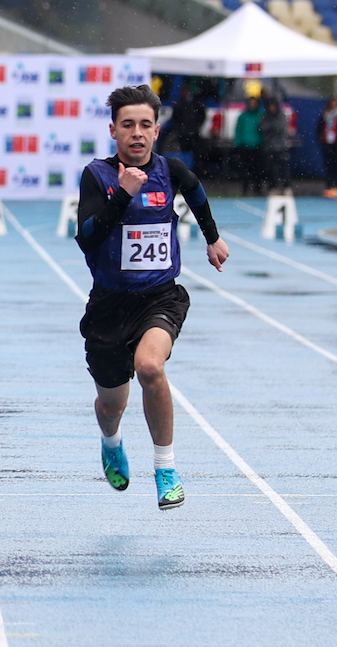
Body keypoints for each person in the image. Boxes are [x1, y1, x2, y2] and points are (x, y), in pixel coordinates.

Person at [75, 84, 229, 510]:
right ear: (113, 130)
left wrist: (212, 237)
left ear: (156, 130)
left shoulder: (171, 170)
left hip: (160, 297)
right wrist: (123, 194)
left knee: (149, 366)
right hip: (109, 306)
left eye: (145, 124)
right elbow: (87, 238)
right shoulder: (97, 176)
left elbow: (196, 192)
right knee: (112, 405)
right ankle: (111, 442)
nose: (137, 133)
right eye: (128, 125)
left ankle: (166, 468)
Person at [168, 83, 206, 174]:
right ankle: (187, 171)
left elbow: (202, 116)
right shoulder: (179, 103)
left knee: (196, 153)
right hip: (183, 134)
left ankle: (196, 171)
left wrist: (196, 126)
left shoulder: (196, 103)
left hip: (194, 133)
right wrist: (180, 129)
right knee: (185, 153)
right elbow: (175, 118)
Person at [317, 96, 337, 198]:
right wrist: (321, 141)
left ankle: (336, 186)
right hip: (327, 143)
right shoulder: (325, 114)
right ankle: (328, 186)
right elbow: (319, 128)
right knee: (328, 166)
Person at [260, 97, 292, 194]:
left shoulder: (281, 116)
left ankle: (286, 187)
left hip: (281, 147)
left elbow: (280, 128)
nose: (272, 108)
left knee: (284, 168)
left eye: (273, 106)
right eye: (270, 106)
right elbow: (262, 127)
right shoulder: (266, 117)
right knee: (271, 168)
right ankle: (273, 187)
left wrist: (271, 128)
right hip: (269, 147)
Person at [233, 96, 264, 196]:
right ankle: (245, 189)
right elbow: (238, 130)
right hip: (245, 146)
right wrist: (238, 142)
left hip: (257, 146)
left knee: (258, 170)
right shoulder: (243, 116)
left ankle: (257, 190)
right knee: (245, 169)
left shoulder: (261, 115)